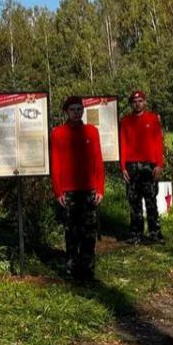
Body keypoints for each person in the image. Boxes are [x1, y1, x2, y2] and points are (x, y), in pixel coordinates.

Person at [50, 96, 104, 280]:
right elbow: (55, 164)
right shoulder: (57, 133)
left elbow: (98, 161)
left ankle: (88, 271)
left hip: (89, 189)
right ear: (66, 112)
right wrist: (58, 191)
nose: (76, 113)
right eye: (72, 109)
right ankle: (72, 271)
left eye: (79, 109)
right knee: (72, 233)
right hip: (69, 192)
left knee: (89, 233)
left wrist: (100, 188)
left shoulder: (91, 132)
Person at [119, 90, 166, 243]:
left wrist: (159, 164)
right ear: (131, 104)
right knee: (134, 202)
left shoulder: (152, 119)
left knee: (151, 201)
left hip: (149, 165)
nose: (137, 104)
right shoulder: (126, 121)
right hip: (132, 166)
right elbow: (123, 144)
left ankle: (155, 234)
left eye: (140, 101)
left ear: (145, 102)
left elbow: (159, 142)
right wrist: (123, 167)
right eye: (134, 102)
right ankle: (136, 234)